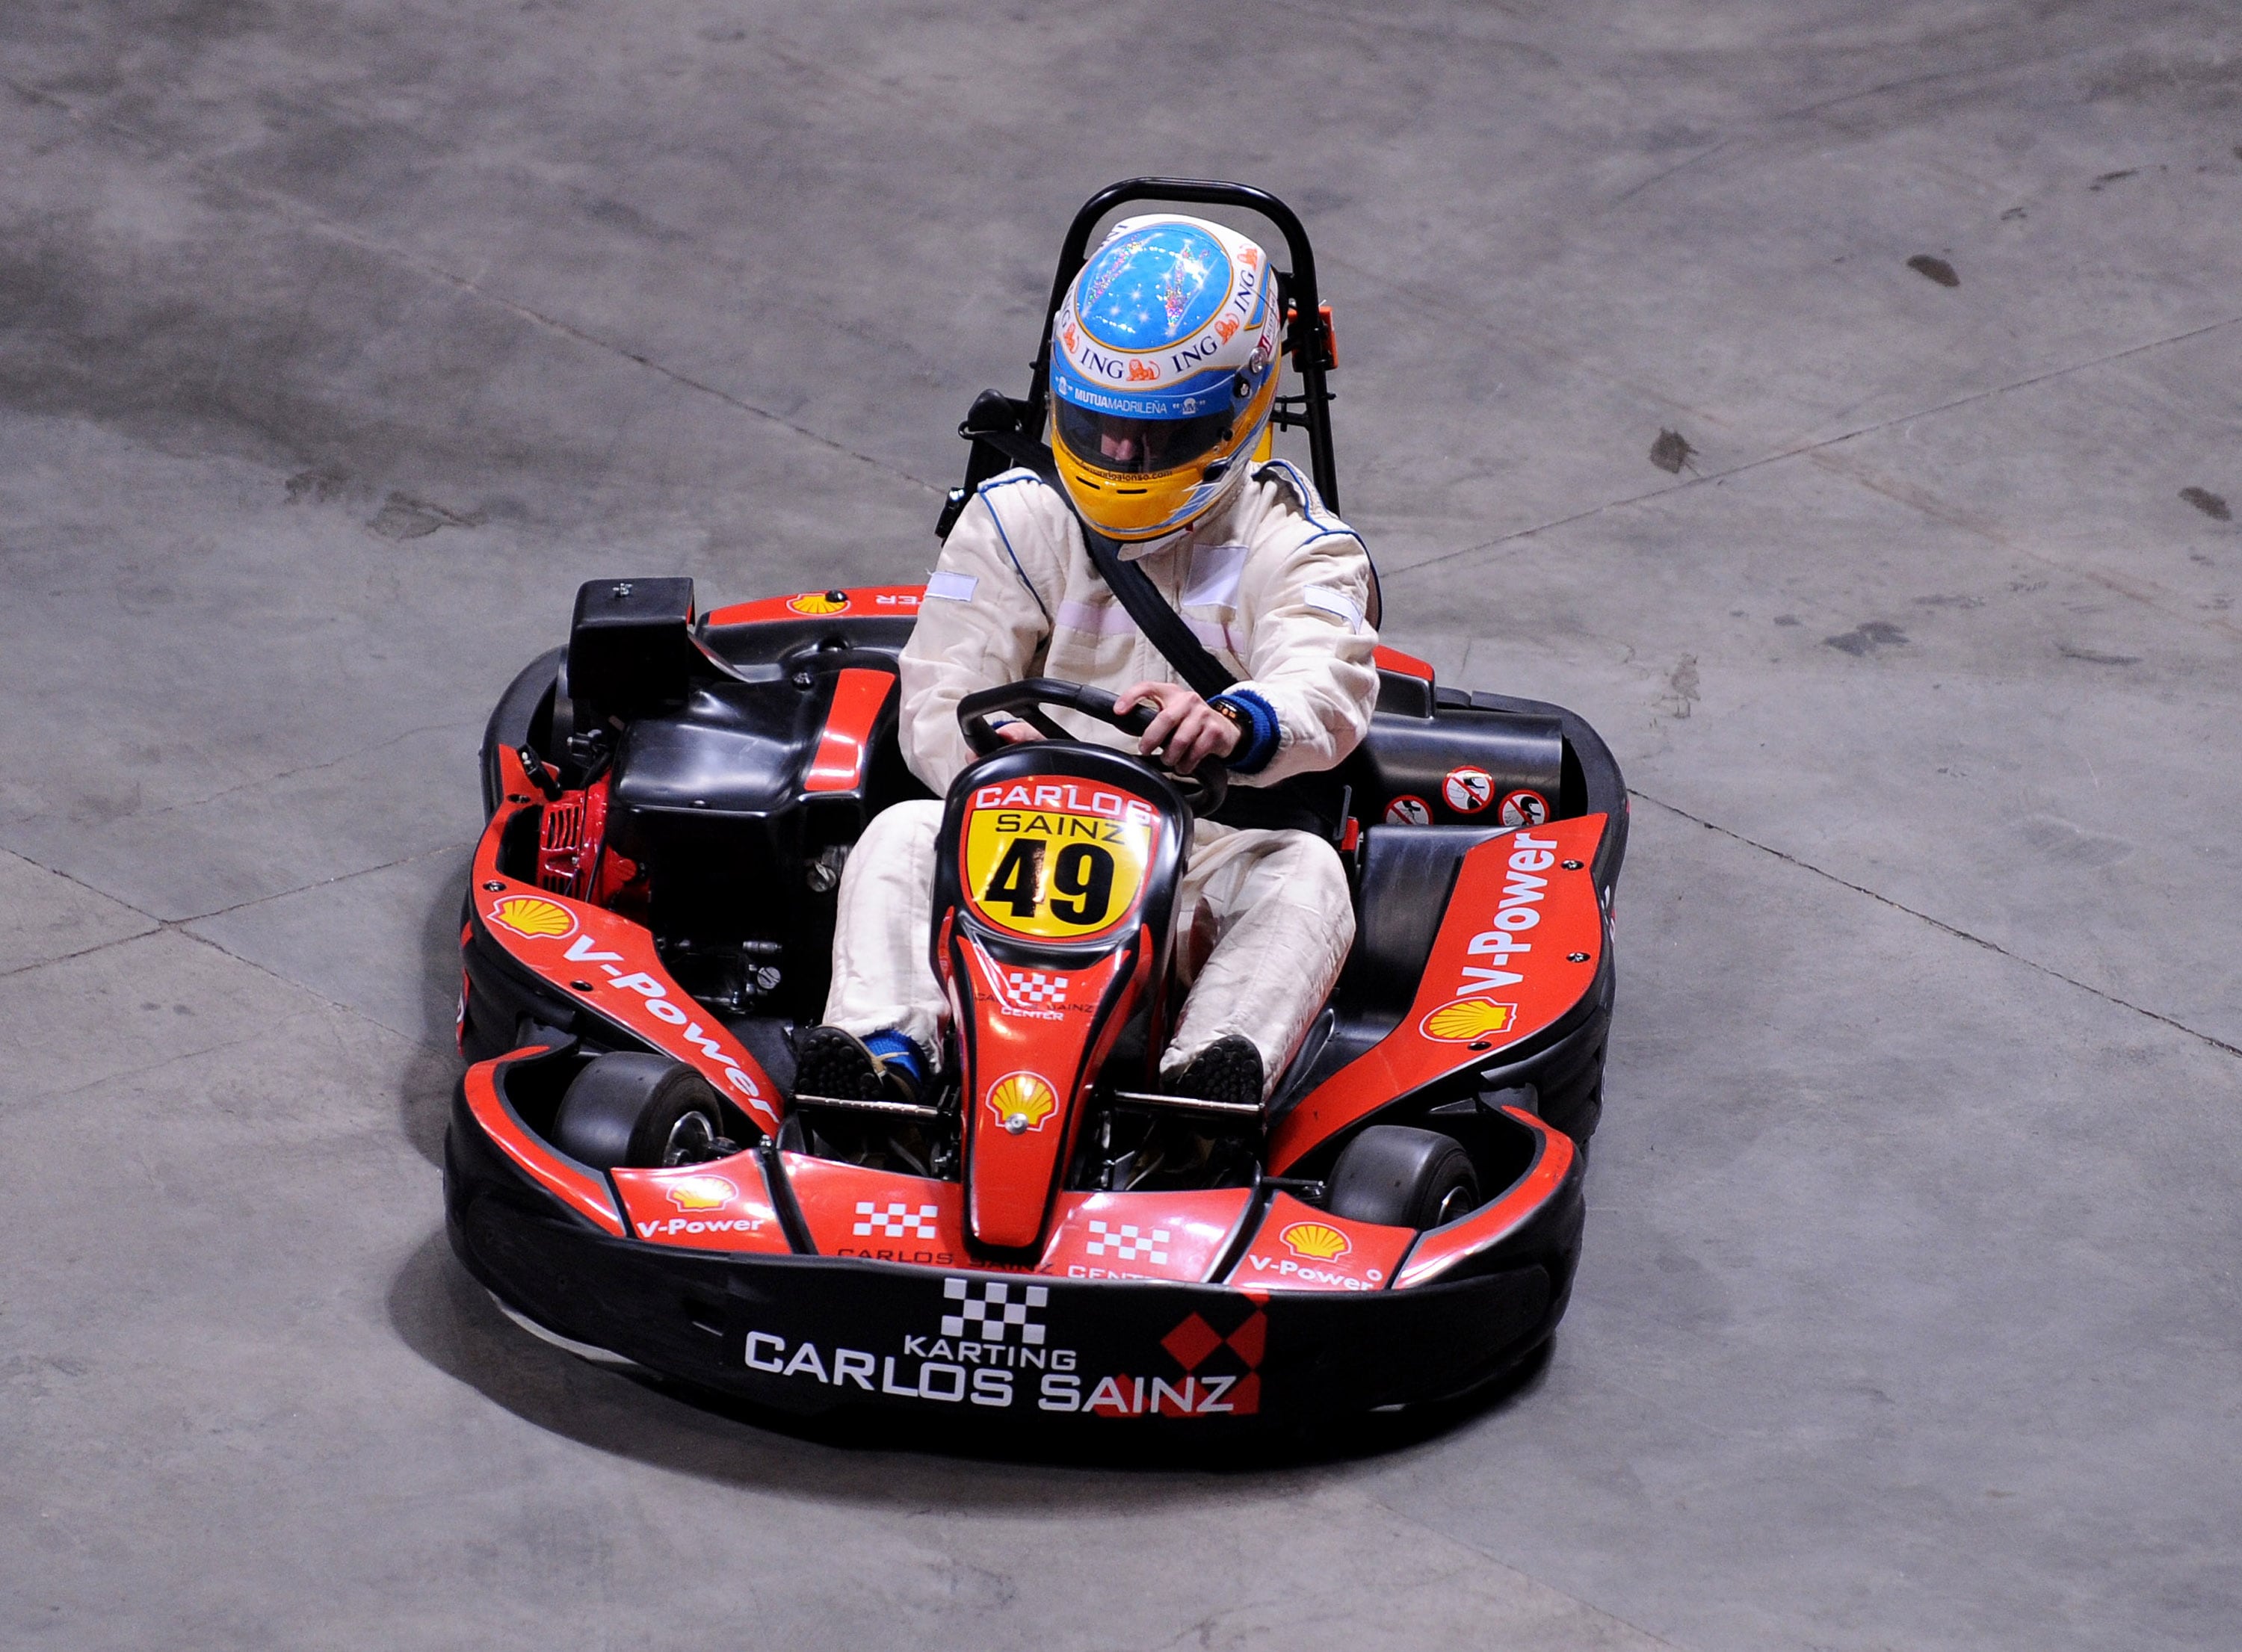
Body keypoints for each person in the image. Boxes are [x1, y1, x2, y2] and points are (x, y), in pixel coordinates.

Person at [796, 214, 1378, 1110]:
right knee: (901, 835)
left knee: (1306, 873)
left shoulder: (1300, 546)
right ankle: (885, 1063)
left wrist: (1234, 723)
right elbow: (936, 695)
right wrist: (1019, 758)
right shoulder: (1014, 517)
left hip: (1197, 862)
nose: (1117, 455)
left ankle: (1202, 1092)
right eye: (1099, 422)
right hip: (1010, 849)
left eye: (1153, 435)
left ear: (1237, 410)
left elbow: (1324, 685)